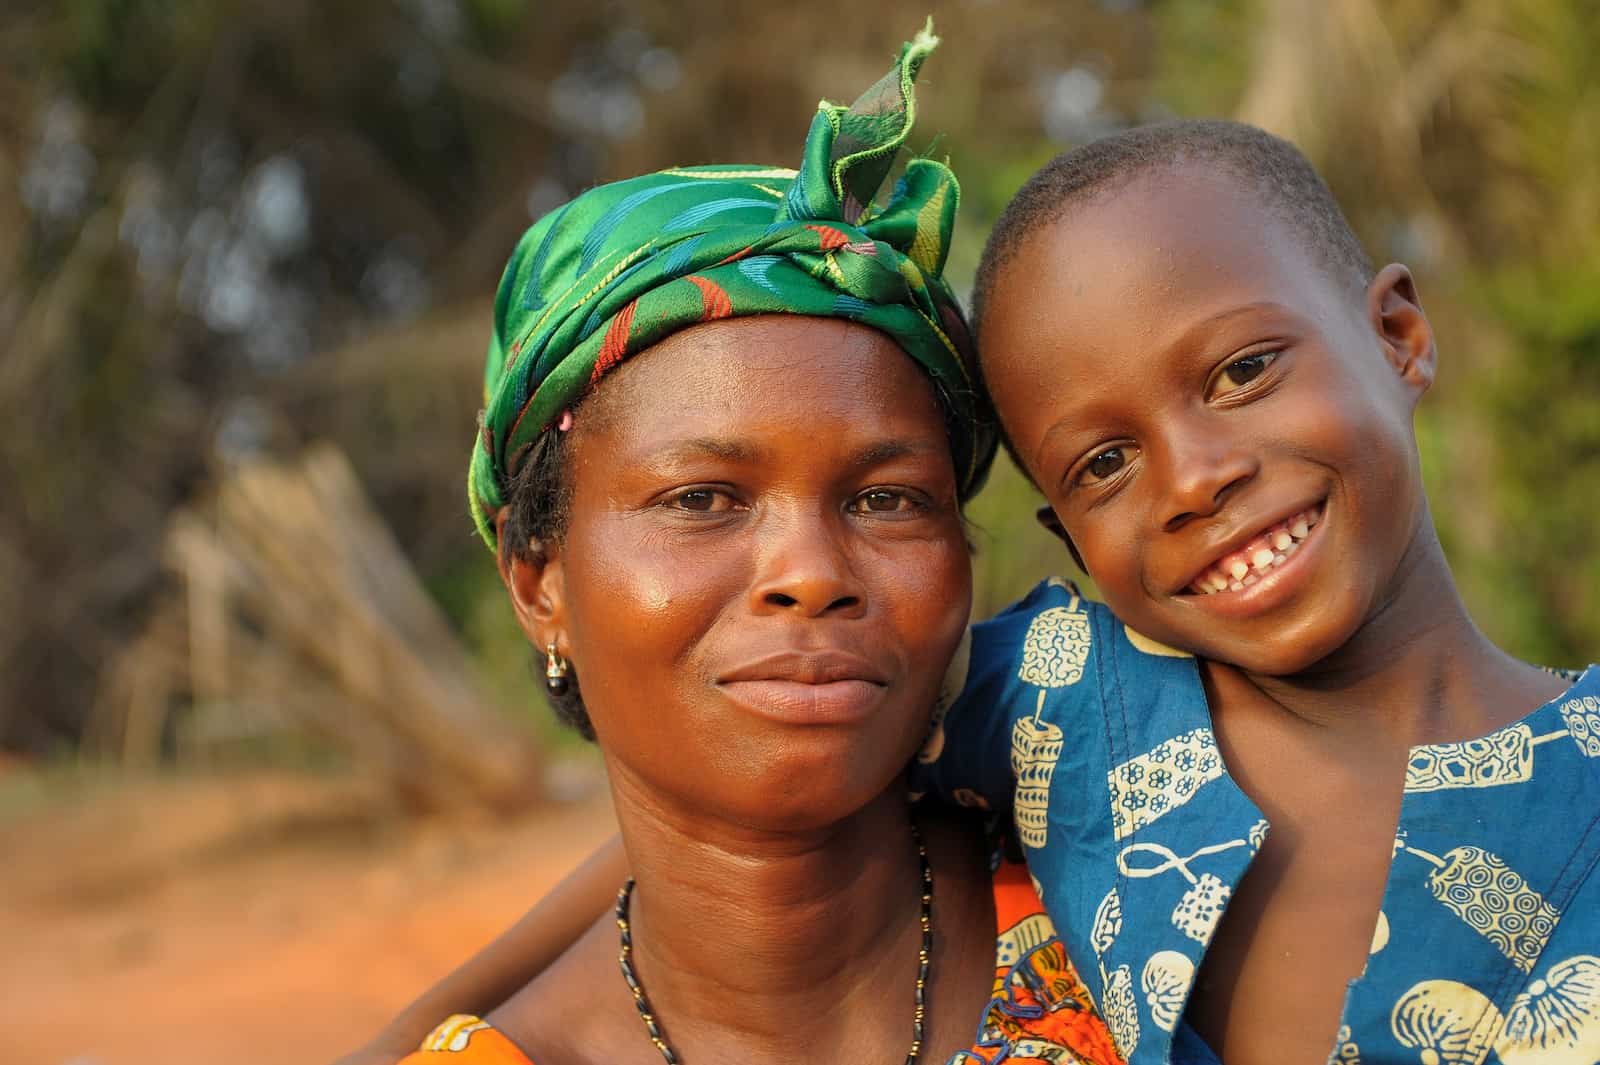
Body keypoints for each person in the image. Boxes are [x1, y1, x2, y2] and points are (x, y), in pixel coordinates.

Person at [349, 73, 1600, 1065]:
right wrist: (416, 1032)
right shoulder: (1076, 700)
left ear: (1399, 336)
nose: (1198, 477)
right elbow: (724, 793)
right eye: (1103, 462)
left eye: (1242, 372)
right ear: (1065, 534)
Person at [340, 29, 1126, 1065]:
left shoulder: (1146, 897)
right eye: (702, 498)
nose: (808, 573)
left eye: (887, 500)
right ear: (541, 588)